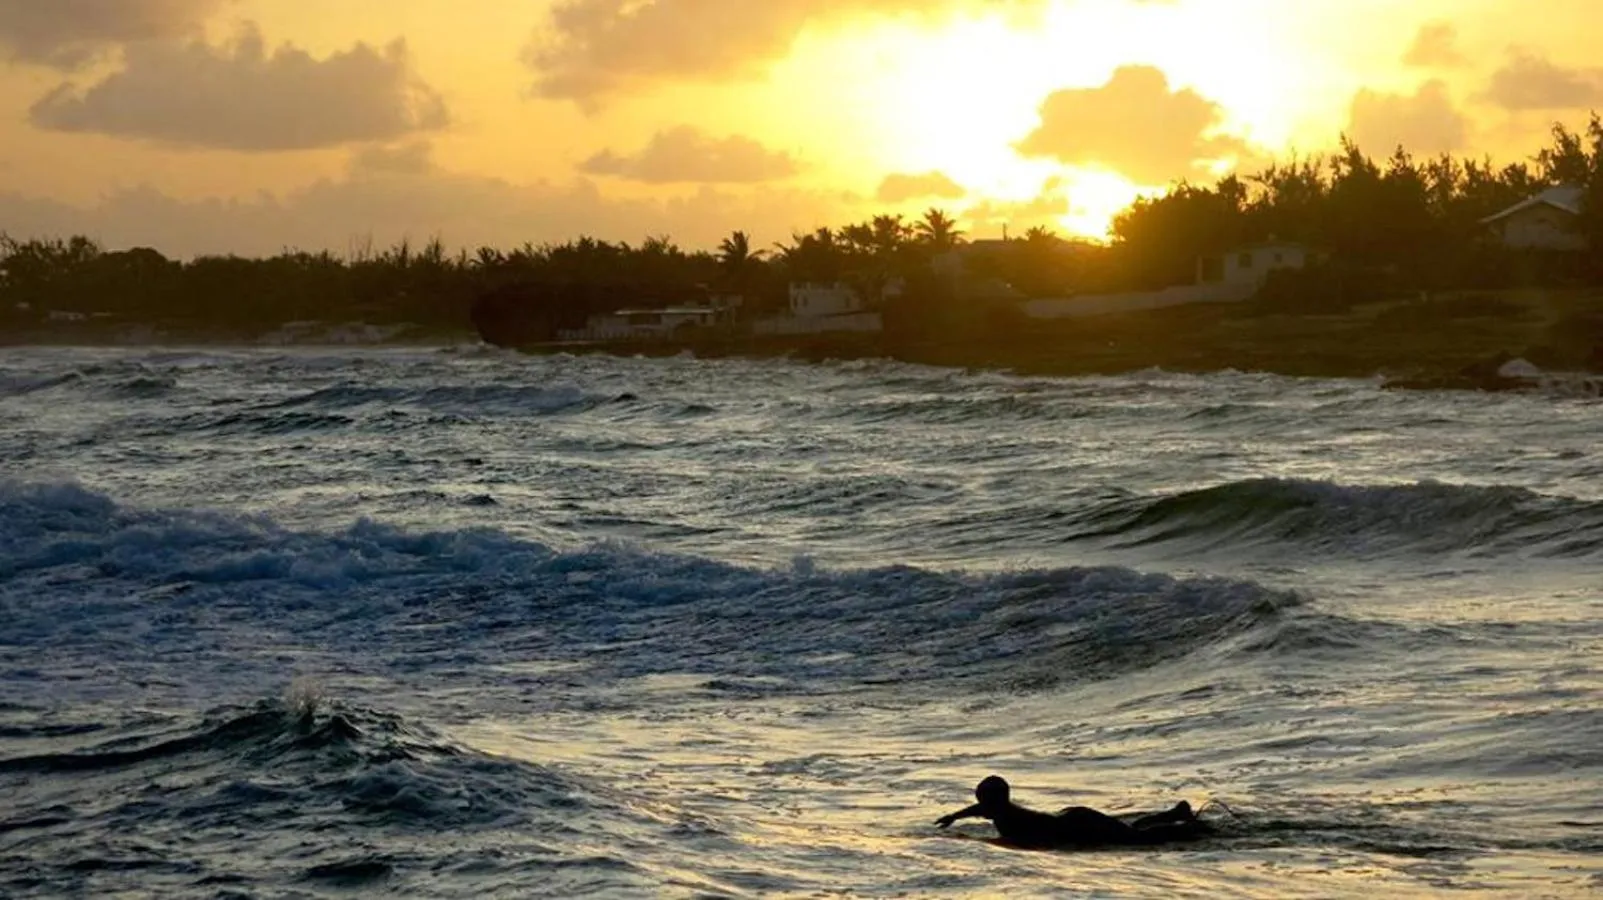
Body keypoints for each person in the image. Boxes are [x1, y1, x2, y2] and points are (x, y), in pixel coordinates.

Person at [934, 775, 1205, 849]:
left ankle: (1185, 827)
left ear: (996, 801)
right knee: (1131, 830)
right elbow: (977, 809)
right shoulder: (1001, 810)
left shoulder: (1007, 818)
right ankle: (1174, 813)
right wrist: (954, 817)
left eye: (984, 804)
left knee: (1138, 839)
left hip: (1079, 825)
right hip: (1074, 819)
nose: (981, 810)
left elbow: (1037, 842)